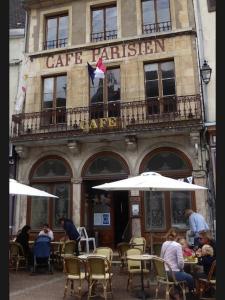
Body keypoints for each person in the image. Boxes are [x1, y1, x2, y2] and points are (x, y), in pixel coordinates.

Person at [160, 229, 195, 299]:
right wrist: (181, 269)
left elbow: (161, 257)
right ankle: (191, 294)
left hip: (165, 273)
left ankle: (177, 292)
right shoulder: (177, 245)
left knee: (182, 274)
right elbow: (180, 263)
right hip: (173, 274)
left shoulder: (164, 243)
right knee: (190, 277)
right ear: (177, 236)